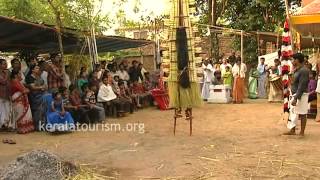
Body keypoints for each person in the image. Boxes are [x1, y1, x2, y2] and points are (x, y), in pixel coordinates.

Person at [284, 53, 309, 136]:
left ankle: (302, 132)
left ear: (297, 60)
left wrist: (296, 97)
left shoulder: (304, 70)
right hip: (295, 93)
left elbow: (302, 85)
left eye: (293, 59)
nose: (292, 61)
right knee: (293, 112)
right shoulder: (297, 69)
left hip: (301, 94)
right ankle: (292, 129)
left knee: (302, 113)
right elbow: (295, 83)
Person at [25, 65, 47, 130]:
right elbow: (33, 87)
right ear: (32, 70)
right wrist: (41, 87)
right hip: (35, 97)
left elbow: (45, 86)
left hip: (41, 95)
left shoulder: (39, 77)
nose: (38, 69)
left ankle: (43, 125)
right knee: (38, 110)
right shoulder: (29, 77)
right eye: (36, 68)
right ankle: (37, 126)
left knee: (43, 109)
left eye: (38, 68)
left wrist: (42, 87)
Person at [0, 59, 12, 130]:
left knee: (7, 111)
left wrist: (10, 94)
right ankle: (1, 126)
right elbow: (3, 82)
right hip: (0, 95)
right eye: (4, 64)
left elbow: (9, 84)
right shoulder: (6, 73)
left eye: (6, 63)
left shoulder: (6, 72)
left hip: (7, 94)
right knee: (1, 111)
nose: (6, 65)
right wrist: (7, 74)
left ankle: (5, 125)